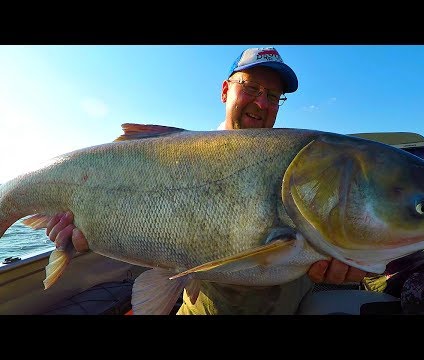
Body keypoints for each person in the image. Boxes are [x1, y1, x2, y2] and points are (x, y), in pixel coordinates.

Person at [45, 46, 369, 314]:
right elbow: (139, 226)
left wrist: (353, 257)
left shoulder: (296, 167)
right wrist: (85, 235)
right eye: (252, 87)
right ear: (226, 90)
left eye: (273, 95)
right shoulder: (179, 160)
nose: (261, 102)